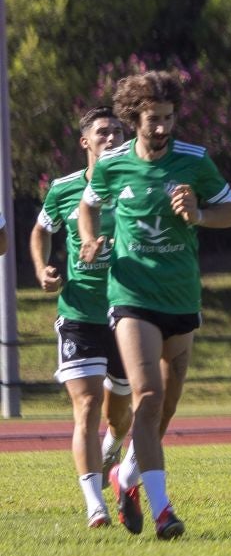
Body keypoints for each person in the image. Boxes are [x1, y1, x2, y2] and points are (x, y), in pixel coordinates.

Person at [77, 71, 231, 540]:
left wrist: (199, 214)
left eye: (169, 118)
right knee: (147, 395)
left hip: (181, 296)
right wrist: (89, 239)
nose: (162, 128)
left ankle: (126, 476)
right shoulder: (113, 164)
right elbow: (88, 207)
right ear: (135, 118)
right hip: (131, 295)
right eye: (153, 119)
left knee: (164, 408)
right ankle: (163, 510)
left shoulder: (195, 160)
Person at [33, 107, 133, 528]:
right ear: (85, 141)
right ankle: (95, 504)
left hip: (128, 313)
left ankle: (112, 449)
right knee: (87, 405)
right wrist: (42, 269)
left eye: (117, 132)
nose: (111, 138)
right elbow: (42, 229)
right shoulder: (64, 188)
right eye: (103, 132)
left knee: (120, 414)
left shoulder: (136, 183)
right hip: (79, 312)